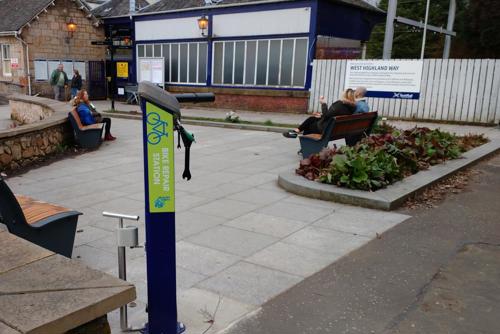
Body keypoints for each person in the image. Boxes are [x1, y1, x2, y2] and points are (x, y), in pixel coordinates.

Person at [283, 89, 356, 138]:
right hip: (335, 129)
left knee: (309, 126)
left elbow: (327, 115)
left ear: (344, 95)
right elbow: (332, 115)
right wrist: (321, 115)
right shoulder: (353, 107)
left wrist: (323, 103)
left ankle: (305, 146)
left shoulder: (339, 104)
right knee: (312, 118)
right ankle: (296, 131)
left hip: (326, 129)